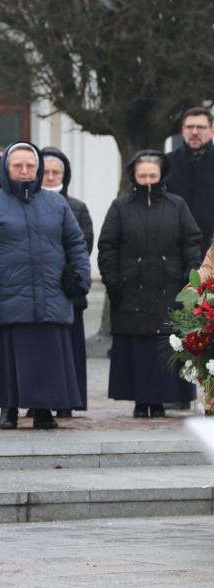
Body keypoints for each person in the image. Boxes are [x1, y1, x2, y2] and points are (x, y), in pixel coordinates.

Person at [0, 142, 91, 430]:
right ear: (5, 168)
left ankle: (43, 409)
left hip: (51, 295)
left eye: (30, 166)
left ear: (38, 169)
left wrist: (80, 276)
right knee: (8, 358)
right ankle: (8, 408)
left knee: (47, 357)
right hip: (6, 297)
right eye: (17, 165)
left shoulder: (56, 204)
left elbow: (75, 243)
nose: (24, 171)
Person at [97, 150, 201, 418]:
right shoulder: (120, 206)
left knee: (166, 344)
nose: (147, 181)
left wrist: (191, 282)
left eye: (152, 175)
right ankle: (141, 401)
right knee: (138, 349)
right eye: (142, 175)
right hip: (131, 288)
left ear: (161, 175)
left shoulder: (177, 205)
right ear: (133, 175)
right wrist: (113, 283)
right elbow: (107, 247)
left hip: (171, 287)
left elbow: (191, 244)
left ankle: (166, 398)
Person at [40, 147, 94, 418]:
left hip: (68, 291)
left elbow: (81, 249)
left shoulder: (77, 208)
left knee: (68, 352)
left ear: (65, 175)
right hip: (36, 293)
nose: (50, 177)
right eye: (46, 172)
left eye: (56, 172)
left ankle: (66, 401)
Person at [165, 107, 214, 247]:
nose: (194, 132)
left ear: (212, 131)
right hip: (175, 250)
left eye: (200, 127)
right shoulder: (167, 164)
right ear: (183, 131)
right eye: (190, 127)